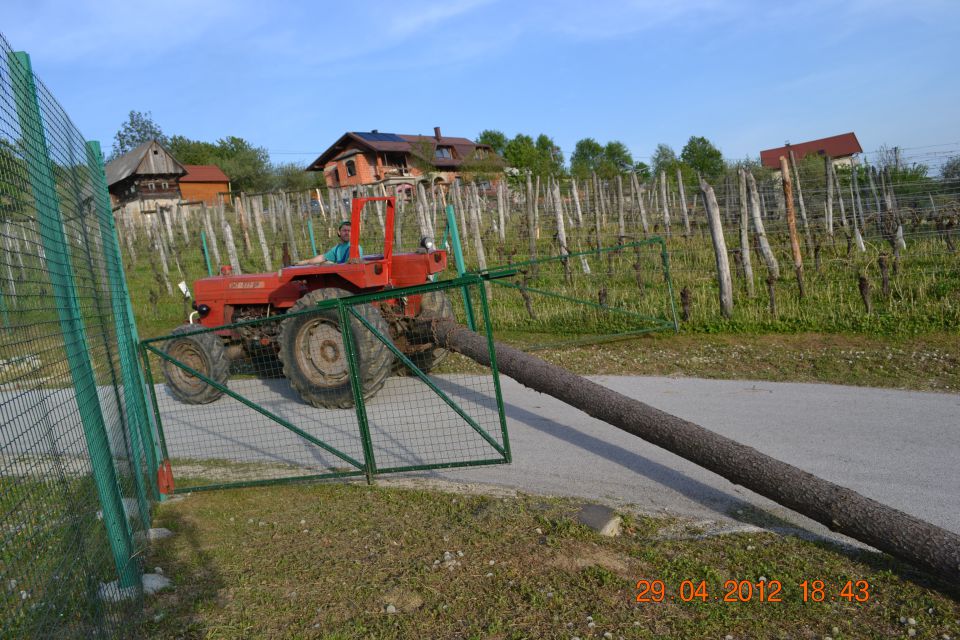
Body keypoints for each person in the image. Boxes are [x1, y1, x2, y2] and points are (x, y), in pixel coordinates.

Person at [297, 220, 362, 265]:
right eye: (344, 230)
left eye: (349, 231)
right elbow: (322, 258)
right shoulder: (337, 249)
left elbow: (350, 265)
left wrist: (331, 265)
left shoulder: (356, 247)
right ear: (339, 232)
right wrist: (306, 262)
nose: (347, 233)